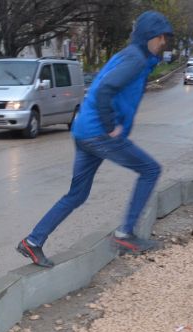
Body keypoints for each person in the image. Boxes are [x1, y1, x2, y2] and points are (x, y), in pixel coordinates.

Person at [16, 11, 174, 268]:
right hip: (99, 133)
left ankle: (33, 241)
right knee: (150, 169)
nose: (163, 42)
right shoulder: (134, 59)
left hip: (83, 131)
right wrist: (111, 125)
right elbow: (105, 89)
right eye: (160, 38)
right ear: (149, 37)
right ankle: (125, 234)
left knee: (76, 195)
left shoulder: (131, 57)